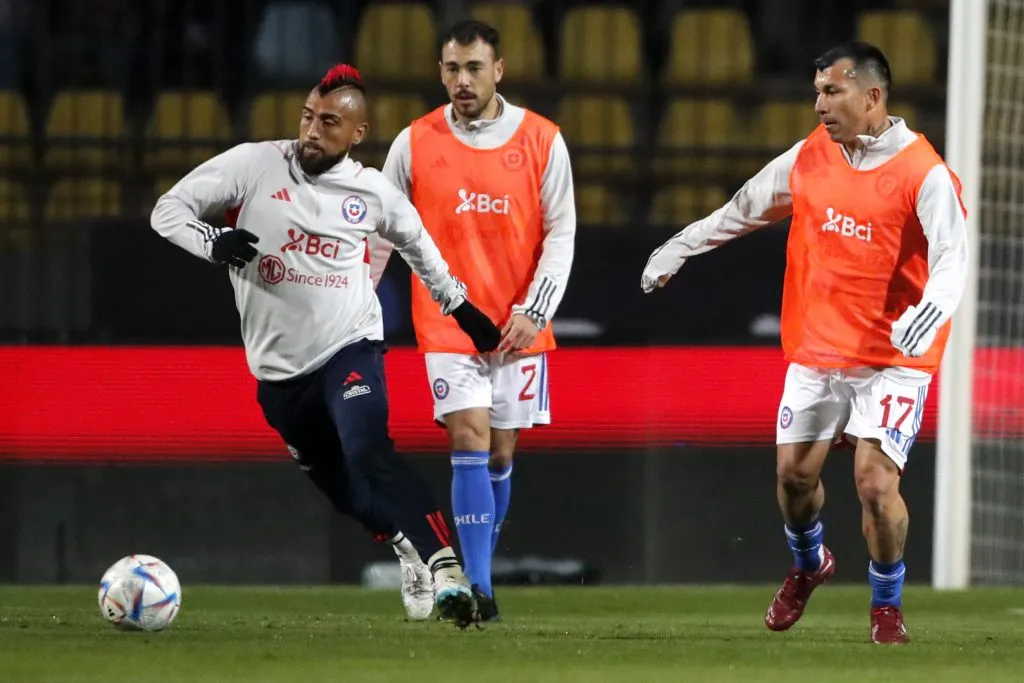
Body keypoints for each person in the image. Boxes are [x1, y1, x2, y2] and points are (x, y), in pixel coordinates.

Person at [150, 64, 502, 628]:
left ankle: (446, 572)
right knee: (347, 495)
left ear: (356, 135)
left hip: (349, 348)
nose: (313, 129)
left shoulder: (370, 192)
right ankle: (404, 548)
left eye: (329, 122)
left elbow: (419, 246)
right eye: (309, 116)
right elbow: (167, 210)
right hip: (279, 376)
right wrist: (214, 243)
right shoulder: (254, 164)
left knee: (368, 449)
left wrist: (462, 310)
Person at [642, 42, 968, 645]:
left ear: (873, 97)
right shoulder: (810, 157)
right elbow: (742, 209)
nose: (818, 104)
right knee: (794, 480)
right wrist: (679, 246)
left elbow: (953, 257)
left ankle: (886, 604)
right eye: (816, 90)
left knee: (874, 484)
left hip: (895, 356)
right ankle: (809, 563)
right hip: (819, 348)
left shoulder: (924, 172)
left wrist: (932, 307)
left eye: (832, 91)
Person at [373, 19, 576, 620]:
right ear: (440, 71)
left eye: (474, 69)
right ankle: (479, 589)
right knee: (468, 437)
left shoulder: (542, 139)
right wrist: (357, 299)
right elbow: (380, 228)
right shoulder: (414, 142)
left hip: (519, 324)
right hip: (447, 323)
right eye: (452, 69)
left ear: (499, 70)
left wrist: (534, 309)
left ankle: (468, 568)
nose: (462, 81)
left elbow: (561, 233)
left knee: (499, 455)